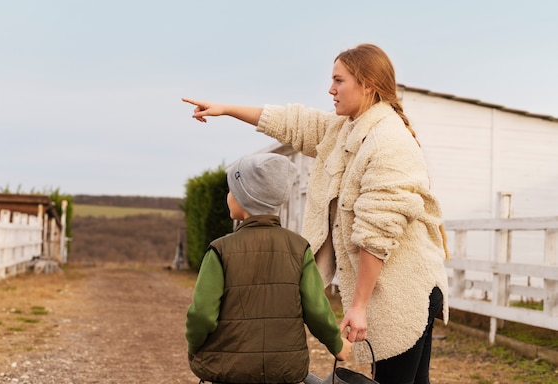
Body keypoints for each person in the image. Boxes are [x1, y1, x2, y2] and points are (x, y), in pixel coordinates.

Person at [182, 43, 449, 384]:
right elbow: (293, 123)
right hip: (390, 286)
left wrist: (359, 305)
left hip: (403, 289)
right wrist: (226, 109)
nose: (330, 89)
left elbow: (378, 231)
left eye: (339, 81)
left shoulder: (388, 141)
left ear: (367, 85)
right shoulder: (346, 128)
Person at [185, 152, 352, 384]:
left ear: (243, 199)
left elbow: (202, 315)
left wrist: (195, 345)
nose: (228, 196)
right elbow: (316, 310)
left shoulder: (220, 250)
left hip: (231, 371)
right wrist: (337, 345)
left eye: (231, 190)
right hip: (284, 370)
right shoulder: (299, 248)